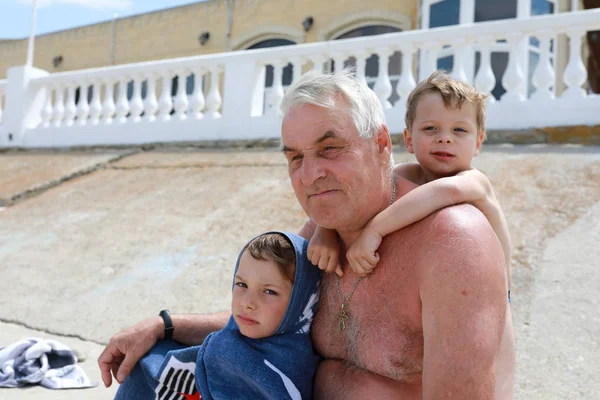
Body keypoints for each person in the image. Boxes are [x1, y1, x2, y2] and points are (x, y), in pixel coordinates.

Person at [99, 70, 515, 399]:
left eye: (330, 148)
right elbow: (263, 318)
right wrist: (163, 325)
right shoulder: (321, 235)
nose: (311, 175)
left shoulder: (452, 239)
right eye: (296, 157)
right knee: (153, 362)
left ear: (382, 144)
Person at [308, 71, 513, 303]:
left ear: (477, 143)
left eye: (459, 130)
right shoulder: (404, 174)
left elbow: (444, 191)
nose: (445, 138)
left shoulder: (474, 181)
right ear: (408, 140)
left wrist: (374, 230)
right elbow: (360, 191)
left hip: (489, 296)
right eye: (430, 129)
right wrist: (325, 231)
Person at [114, 231, 321, 399]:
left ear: (301, 303)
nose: (247, 303)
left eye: (269, 291)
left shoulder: (283, 372)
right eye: (241, 284)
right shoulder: (233, 334)